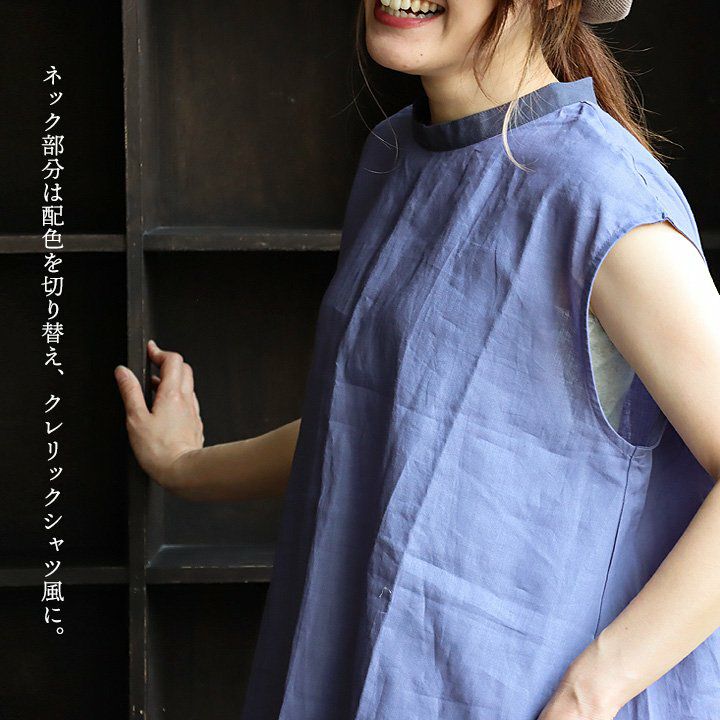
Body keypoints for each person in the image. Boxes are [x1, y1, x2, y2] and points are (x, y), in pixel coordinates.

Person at [114, 0, 720, 718]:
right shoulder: (395, 153)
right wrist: (186, 467)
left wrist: (591, 694)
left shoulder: (600, 196)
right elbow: (370, 422)